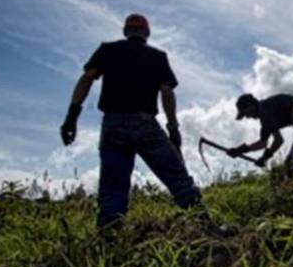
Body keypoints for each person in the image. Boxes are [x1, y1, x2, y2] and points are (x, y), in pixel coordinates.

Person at [60, 14, 201, 229]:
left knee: (112, 191)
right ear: (146, 33)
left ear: (126, 32)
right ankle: (205, 226)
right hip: (145, 124)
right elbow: (166, 92)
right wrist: (173, 128)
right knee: (178, 178)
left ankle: (110, 241)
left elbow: (87, 78)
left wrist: (72, 117)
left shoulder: (107, 50)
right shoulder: (157, 56)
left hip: (112, 126)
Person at [228, 93, 293, 208]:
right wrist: (249, 153)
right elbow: (270, 142)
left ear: (250, 105)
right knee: (289, 164)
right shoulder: (266, 117)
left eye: (246, 113)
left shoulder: (265, 110)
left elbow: (271, 142)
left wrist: (260, 156)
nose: (247, 117)